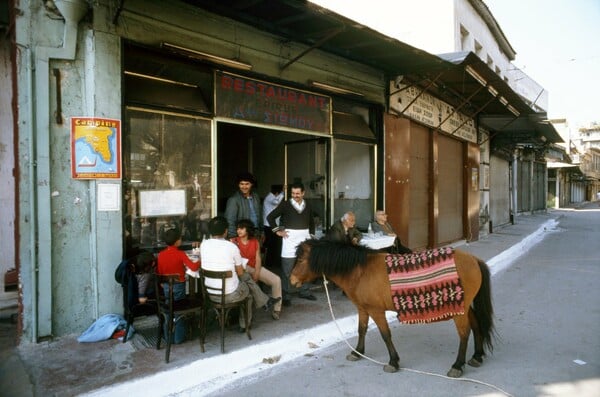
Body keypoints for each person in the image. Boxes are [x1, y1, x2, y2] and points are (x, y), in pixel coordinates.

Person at [201, 216, 280, 331]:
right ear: (225, 231)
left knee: (246, 280)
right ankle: (245, 325)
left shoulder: (204, 245)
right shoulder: (231, 247)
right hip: (230, 295)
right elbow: (240, 272)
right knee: (248, 292)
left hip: (210, 294)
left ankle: (265, 301)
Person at [267, 182, 316, 305]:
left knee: (305, 266)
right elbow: (270, 217)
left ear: (303, 193)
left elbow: (311, 222)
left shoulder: (308, 205)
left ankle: (305, 291)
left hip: (304, 240)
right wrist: (277, 231)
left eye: (298, 193)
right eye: (293, 193)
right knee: (287, 269)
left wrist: (312, 236)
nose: (295, 196)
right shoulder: (285, 204)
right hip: (289, 240)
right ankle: (286, 295)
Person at [231, 219, 283, 320]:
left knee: (276, 280)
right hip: (242, 271)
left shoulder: (255, 242)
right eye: (237, 228)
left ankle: (277, 310)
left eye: (241, 228)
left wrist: (257, 273)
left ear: (248, 230)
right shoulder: (234, 242)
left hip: (255, 268)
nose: (238, 231)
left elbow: (258, 259)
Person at [157, 228, 200, 302]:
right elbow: (194, 267)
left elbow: (159, 271)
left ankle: (168, 313)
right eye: (180, 238)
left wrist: (161, 282)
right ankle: (178, 314)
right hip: (179, 284)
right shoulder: (181, 254)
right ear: (176, 241)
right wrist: (200, 260)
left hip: (166, 285)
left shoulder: (160, 254)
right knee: (179, 305)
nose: (181, 240)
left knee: (168, 303)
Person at [225, 172, 263, 239]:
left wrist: (262, 232)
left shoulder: (256, 197)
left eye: (247, 184)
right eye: (241, 184)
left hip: (256, 233)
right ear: (238, 185)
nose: (244, 187)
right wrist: (233, 237)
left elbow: (260, 215)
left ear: (252, 184)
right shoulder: (234, 200)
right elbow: (230, 220)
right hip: (242, 236)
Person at [262, 184, 284, 269]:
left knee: (274, 245)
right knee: (271, 245)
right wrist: (283, 192)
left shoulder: (271, 197)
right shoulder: (269, 198)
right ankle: (269, 264)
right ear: (277, 193)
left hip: (271, 225)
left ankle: (272, 263)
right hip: (268, 225)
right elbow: (277, 202)